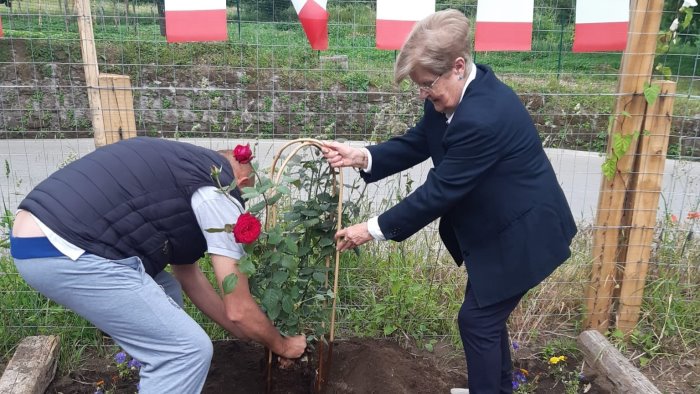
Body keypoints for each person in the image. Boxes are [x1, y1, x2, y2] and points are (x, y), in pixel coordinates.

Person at [322, 9, 576, 394]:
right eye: (419, 88)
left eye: (427, 85)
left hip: (526, 233)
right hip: (497, 234)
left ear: (458, 66)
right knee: (483, 319)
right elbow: (419, 141)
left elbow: (437, 193)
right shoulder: (449, 98)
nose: (424, 95)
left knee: (478, 321)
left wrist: (369, 230)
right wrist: (362, 156)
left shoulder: (483, 117)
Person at [10, 137, 306, 393]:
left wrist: (246, 332)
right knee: (186, 352)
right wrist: (281, 345)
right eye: (244, 198)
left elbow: (189, 278)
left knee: (165, 289)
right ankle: (167, 369)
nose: (242, 204)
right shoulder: (217, 191)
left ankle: (160, 377)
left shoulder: (180, 169)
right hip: (65, 248)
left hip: (36, 239)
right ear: (241, 183)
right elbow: (239, 308)